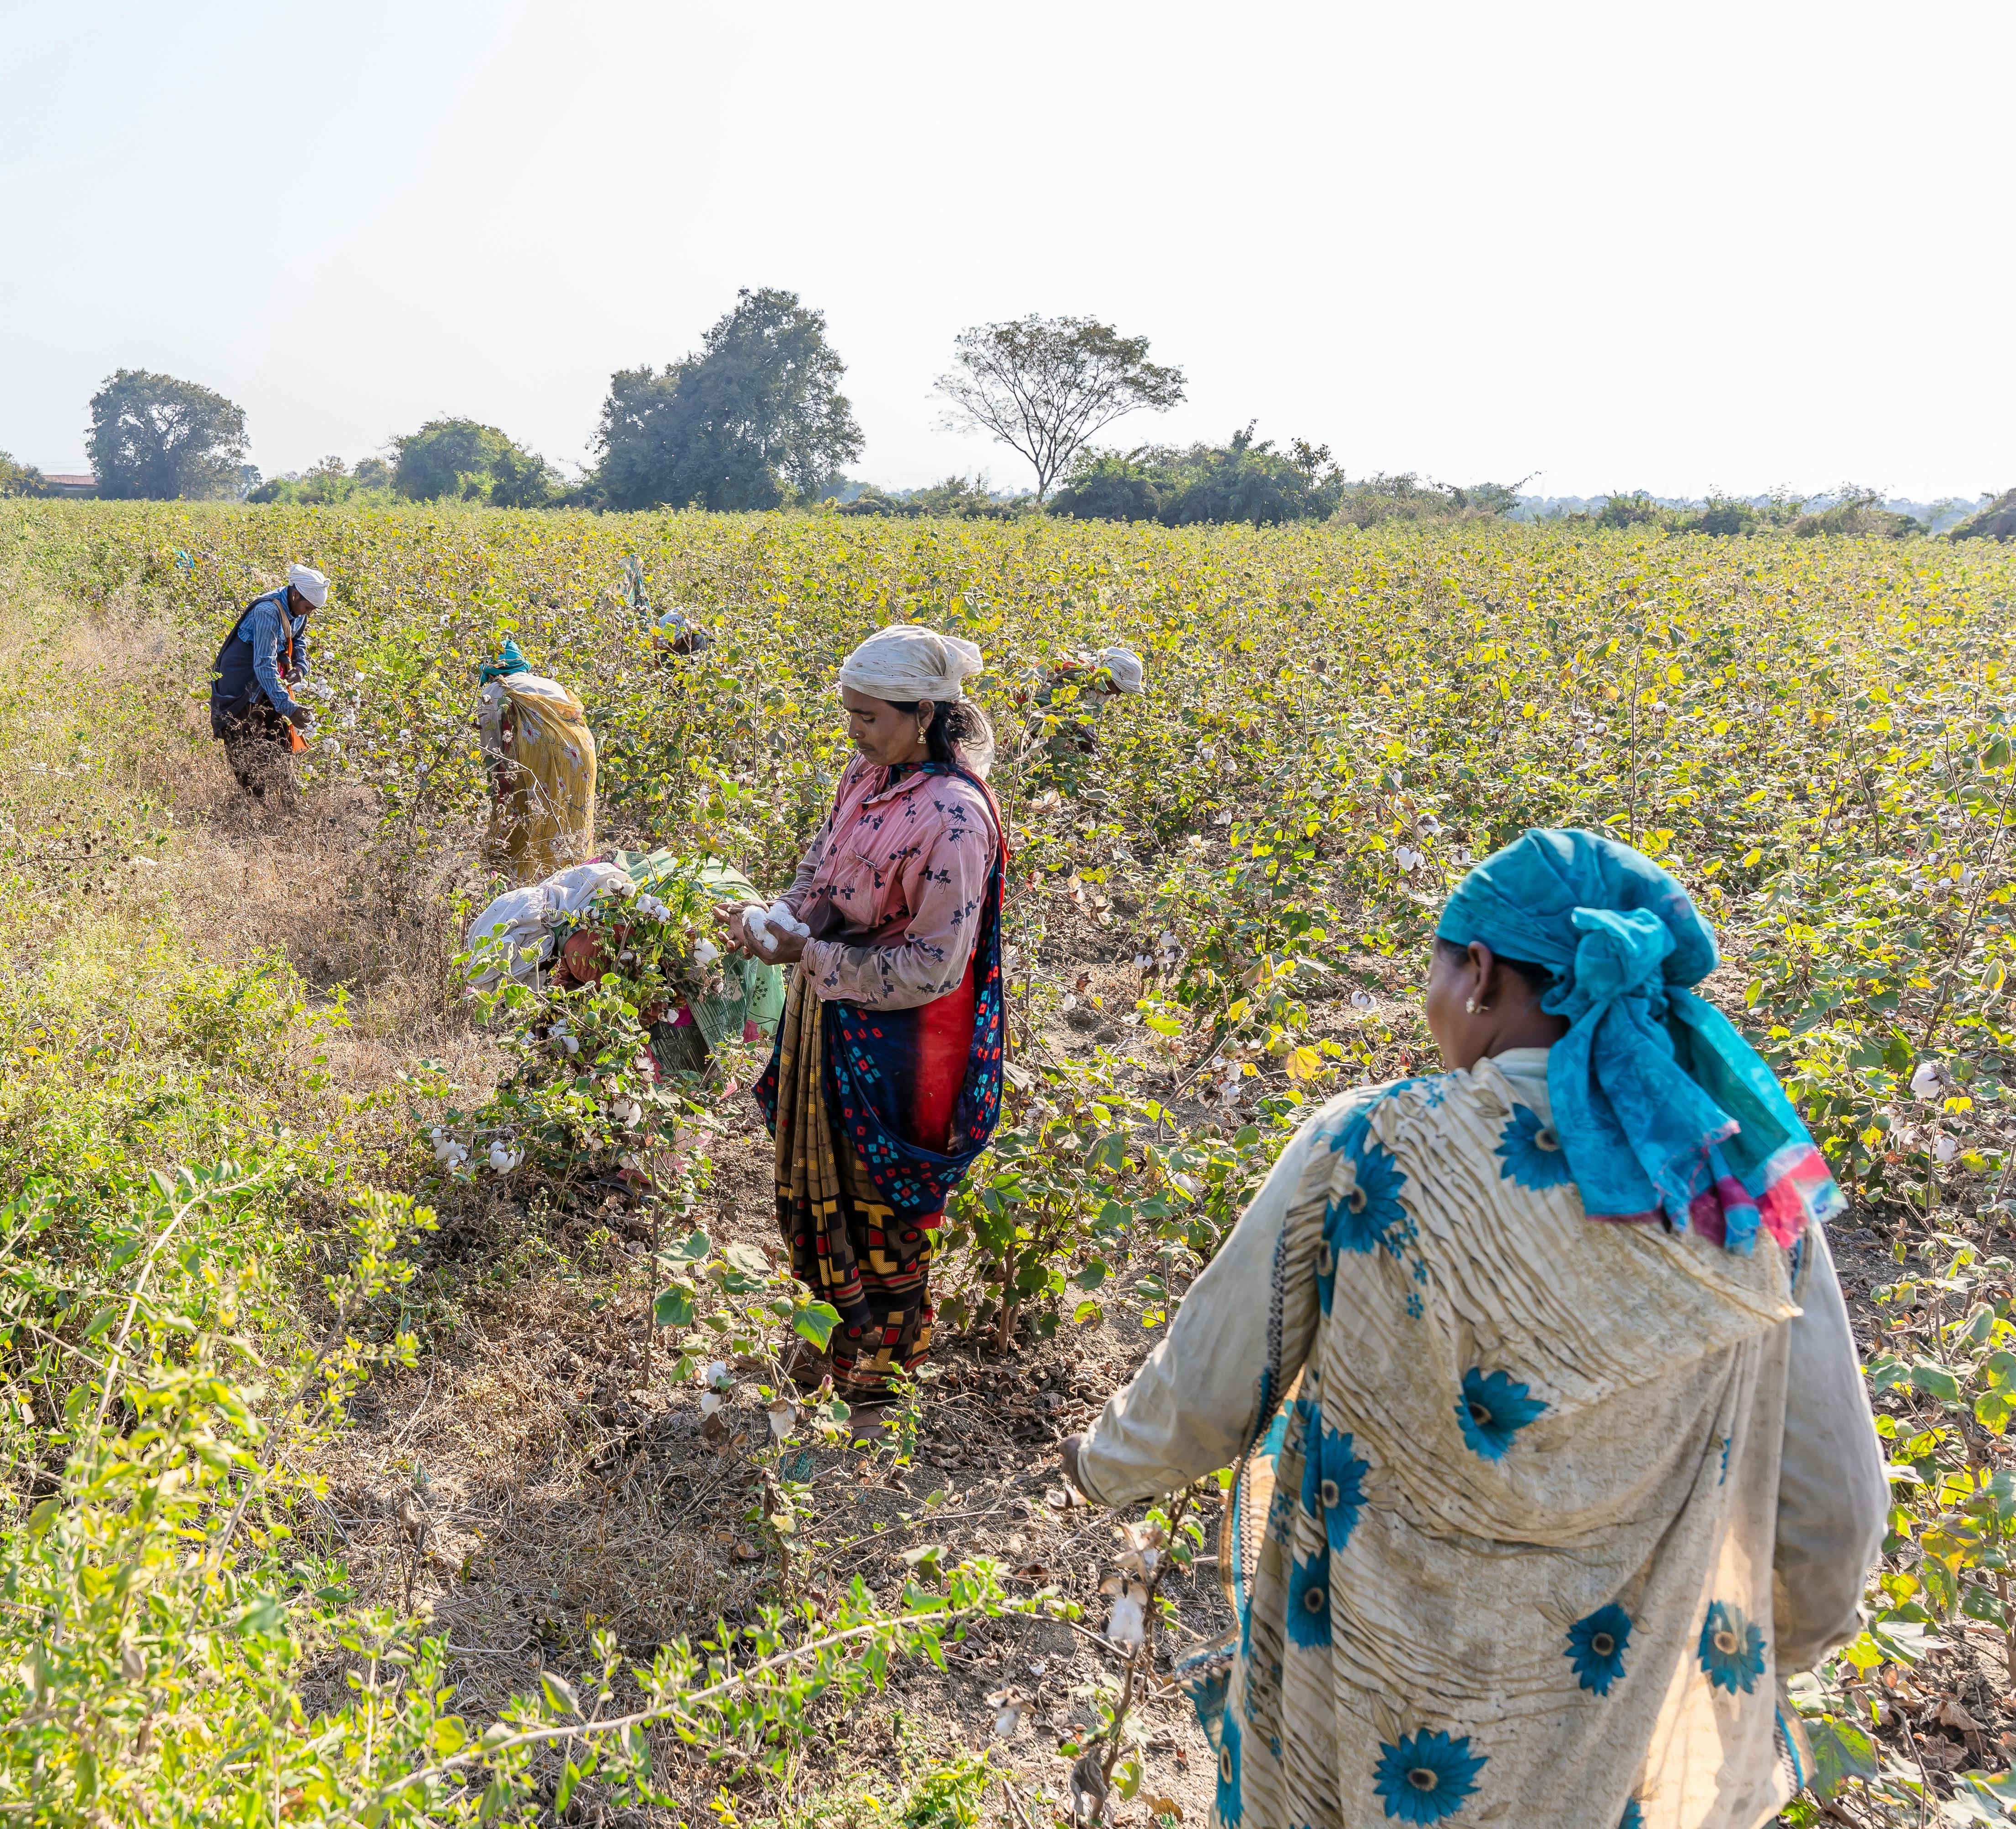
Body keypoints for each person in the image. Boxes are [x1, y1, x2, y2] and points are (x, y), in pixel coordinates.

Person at [1057, 829, 1886, 1829]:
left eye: (1440, 971)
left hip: (1350, 1700)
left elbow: (1209, 1384)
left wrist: (1103, 1465)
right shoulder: (1739, 1201)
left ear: (1482, 974)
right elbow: (1830, 1510)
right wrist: (1772, 1641)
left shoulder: (1371, 1144)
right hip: (1596, 1733)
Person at [733, 624, 1010, 1417]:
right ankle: (822, 1337)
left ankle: (875, 1387)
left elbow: (933, 966)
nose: (854, 732)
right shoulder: (867, 772)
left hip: (900, 1047)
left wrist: (808, 955)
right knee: (813, 1192)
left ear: (923, 712)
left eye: (868, 717)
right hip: (830, 1017)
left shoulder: (956, 820)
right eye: (849, 714)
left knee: (884, 1215)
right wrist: (779, 919)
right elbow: (820, 865)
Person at [476, 640, 598, 879]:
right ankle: (573, 880)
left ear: (491, 671)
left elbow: (491, 749)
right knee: (570, 812)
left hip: (535, 755)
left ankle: (521, 883)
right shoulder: (554, 686)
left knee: (522, 814)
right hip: (582, 755)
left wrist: (498, 785)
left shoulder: (493, 691)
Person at [213, 563, 330, 800]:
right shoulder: (267, 612)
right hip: (241, 683)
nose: (309, 613)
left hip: (265, 680)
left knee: (279, 740)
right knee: (245, 743)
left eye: (313, 610)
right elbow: (263, 664)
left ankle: (287, 802)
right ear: (295, 594)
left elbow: (298, 638)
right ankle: (255, 807)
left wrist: (300, 666)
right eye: (308, 607)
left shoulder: (298, 609)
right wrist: (289, 707)